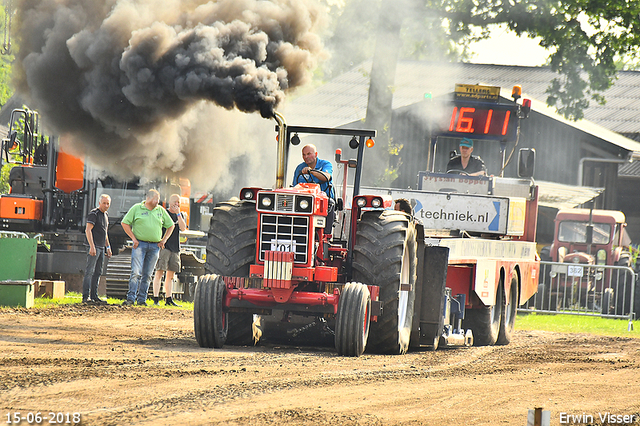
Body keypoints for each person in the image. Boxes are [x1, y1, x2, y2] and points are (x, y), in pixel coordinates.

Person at [121, 189, 175, 306]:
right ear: (149, 198)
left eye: (158, 199)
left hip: (155, 246)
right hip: (139, 244)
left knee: (148, 274)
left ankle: (142, 300)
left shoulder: (160, 210)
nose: (158, 201)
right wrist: (133, 239)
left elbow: (171, 225)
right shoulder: (137, 208)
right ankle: (131, 298)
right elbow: (125, 223)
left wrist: (164, 240)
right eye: (156, 199)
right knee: (136, 272)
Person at [151, 194, 187, 307]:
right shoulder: (163, 213)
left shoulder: (180, 215)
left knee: (170, 275)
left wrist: (178, 214)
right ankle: (156, 298)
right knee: (159, 272)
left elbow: (183, 228)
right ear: (170, 202)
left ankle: (168, 298)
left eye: (179, 202)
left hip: (175, 248)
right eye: (175, 201)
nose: (177, 204)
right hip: (164, 247)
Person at [292, 144, 335, 233]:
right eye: (304, 154)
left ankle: (326, 235)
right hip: (303, 202)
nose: (306, 157)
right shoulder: (299, 168)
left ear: (316, 154)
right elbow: (295, 187)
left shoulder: (325, 164)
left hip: (323, 201)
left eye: (308, 154)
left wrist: (312, 171)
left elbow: (326, 177)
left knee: (330, 203)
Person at [82, 194, 112, 305]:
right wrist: (92, 246)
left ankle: (94, 296)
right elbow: (88, 230)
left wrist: (108, 247)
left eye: (108, 203)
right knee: (89, 271)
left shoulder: (106, 215)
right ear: (99, 203)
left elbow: (105, 233)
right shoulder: (93, 214)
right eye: (104, 203)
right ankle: (85, 297)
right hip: (93, 246)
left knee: (98, 272)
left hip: (101, 246)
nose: (106, 205)